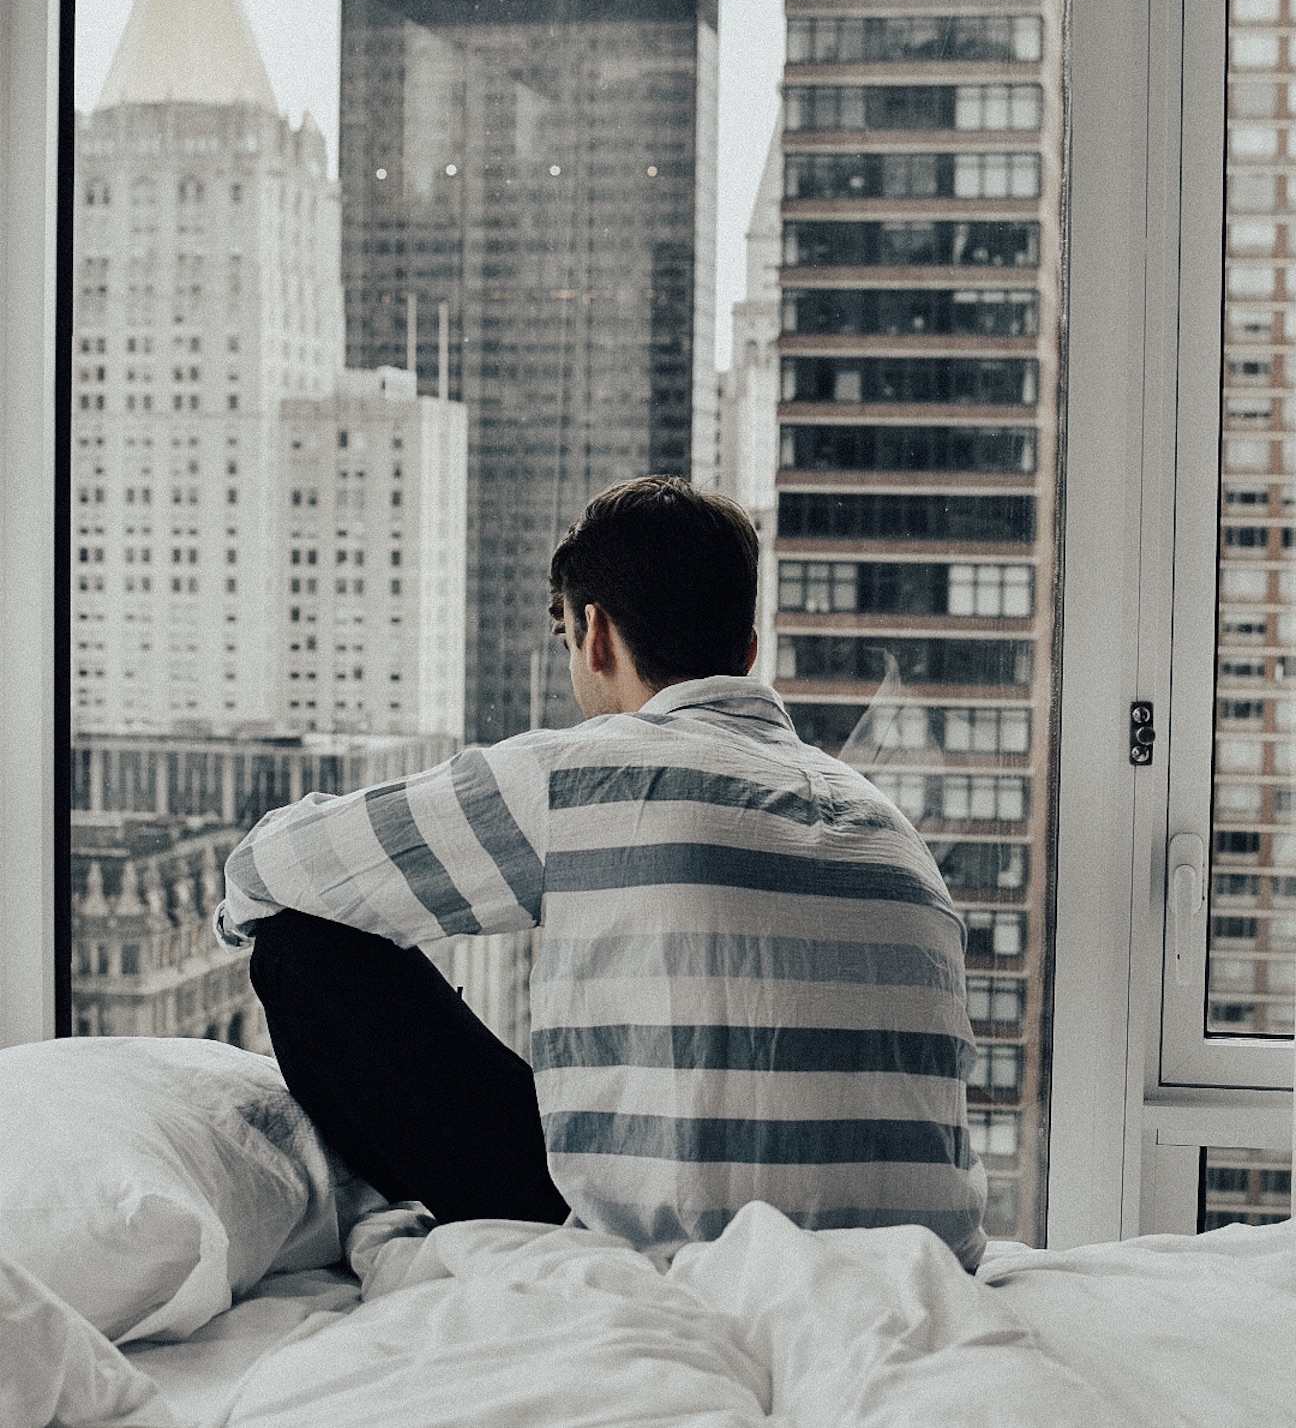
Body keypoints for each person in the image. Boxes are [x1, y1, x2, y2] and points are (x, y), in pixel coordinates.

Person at [217, 475, 987, 1267]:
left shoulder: (584, 774)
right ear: (749, 652)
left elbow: (268, 868)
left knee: (302, 947)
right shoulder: (888, 827)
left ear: (595, 635)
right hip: (916, 1252)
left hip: (659, 1246)